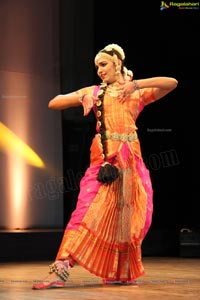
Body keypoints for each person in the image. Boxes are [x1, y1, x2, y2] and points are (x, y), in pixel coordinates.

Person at [32, 43, 178, 289]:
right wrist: (84, 97)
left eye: (103, 64)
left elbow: (172, 82)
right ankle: (60, 270)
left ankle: (118, 272)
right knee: (85, 212)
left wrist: (136, 84)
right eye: (97, 66)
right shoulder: (95, 91)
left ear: (117, 63)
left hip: (131, 161)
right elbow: (54, 102)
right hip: (104, 161)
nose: (99, 70)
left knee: (126, 218)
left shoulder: (136, 93)